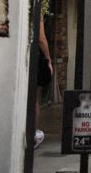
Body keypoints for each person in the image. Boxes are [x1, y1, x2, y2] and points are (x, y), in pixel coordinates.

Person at [35, 16, 53, 149]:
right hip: (33, 57)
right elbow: (41, 38)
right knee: (35, 99)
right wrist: (48, 59)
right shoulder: (35, 3)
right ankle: (32, 135)